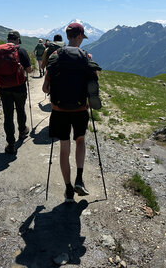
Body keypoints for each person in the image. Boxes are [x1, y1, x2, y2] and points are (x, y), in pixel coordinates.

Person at [42, 23, 101, 202]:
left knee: (64, 149)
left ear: (68, 36)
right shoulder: (86, 56)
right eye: (82, 38)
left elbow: (45, 89)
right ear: (80, 37)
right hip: (80, 109)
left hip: (59, 110)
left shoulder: (55, 55)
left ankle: (68, 189)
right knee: (80, 141)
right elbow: (94, 84)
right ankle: (79, 179)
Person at [0, 30, 33, 154]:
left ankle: (10, 143)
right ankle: (22, 131)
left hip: (4, 88)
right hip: (19, 87)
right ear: (18, 39)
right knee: (20, 109)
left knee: (8, 115)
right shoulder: (21, 51)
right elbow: (29, 70)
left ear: (7, 39)